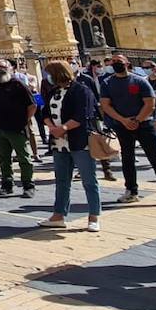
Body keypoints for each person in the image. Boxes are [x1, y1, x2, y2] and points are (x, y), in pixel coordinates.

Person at [100, 53, 156, 208]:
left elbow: (150, 103)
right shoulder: (107, 83)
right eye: (114, 61)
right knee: (127, 158)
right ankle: (131, 191)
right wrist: (124, 120)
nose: (116, 63)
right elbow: (105, 105)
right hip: (123, 125)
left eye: (119, 61)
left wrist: (137, 119)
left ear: (127, 63)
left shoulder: (138, 80)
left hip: (144, 124)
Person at [39, 61, 101, 232]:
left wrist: (64, 128)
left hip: (79, 140)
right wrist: (52, 128)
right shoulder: (54, 91)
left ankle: (94, 216)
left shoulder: (81, 90)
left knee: (89, 180)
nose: (47, 77)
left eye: (49, 73)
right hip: (59, 142)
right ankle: (58, 215)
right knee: (62, 180)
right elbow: (44, 112)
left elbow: (83, 114)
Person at [0, 60, 36, 197]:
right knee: (3, 158)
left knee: (24, 158)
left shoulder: (18, 85)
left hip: (16, 128)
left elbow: (32, 106)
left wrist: (24, 120)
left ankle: (28, 185)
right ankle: (7, 184)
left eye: (3, 67)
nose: (1, 70)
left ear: (10, 69)